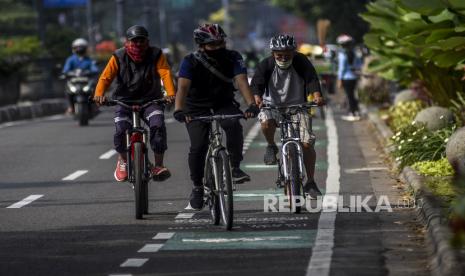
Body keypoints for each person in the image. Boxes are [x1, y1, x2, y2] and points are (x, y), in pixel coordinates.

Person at [173, 23, 259, 210]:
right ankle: (197, 186)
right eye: (212, 45)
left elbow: (242, 82)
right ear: (201, 46)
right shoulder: (190, 61)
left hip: (223, 103)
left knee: (234, 125)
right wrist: (179, 109)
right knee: (199, 145)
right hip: (195, 108)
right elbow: (183, 87)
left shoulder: (234, 57)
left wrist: (252, 104)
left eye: (221, 43)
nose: (218, 48)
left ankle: (235, 167)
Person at [93, 25, 176, 182]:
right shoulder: (118, 56)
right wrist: (99, 95)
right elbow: (105, 77)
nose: (138, 44)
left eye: (141, 40)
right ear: (127, 42)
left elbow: (165, 73)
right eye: (134, 41)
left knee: (157, 125)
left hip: (151, 100)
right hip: (124, 101)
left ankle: (158, 165)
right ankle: (123, 160)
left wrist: (170, 94)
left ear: (147, 41)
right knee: (121, 130)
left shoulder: (156, 54)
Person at [251, 34, 325, 199]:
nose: (283, 57)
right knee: (266, 122)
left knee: (307, 143)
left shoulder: (301, 61)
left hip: (298, 106)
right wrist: (257, 98)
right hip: (272, 106)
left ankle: (311, 182)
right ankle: (271, 145)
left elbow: (312, 79)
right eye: (279, 55)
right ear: (273, 53)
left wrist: (317, 96)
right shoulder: (267, 64)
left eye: (287, 54)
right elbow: (257, 83)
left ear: (294, 52)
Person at [62, 38, 99, 114]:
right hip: (74, 81)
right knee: (67, 91)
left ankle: (95, 105)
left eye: (81, 47)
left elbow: (95, 69)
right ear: (74, 48)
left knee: (94, 88)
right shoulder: (70, 59)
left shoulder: (89, 60)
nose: (79, 49)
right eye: (77, 47)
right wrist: (69, 73)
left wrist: (90, 72)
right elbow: (66, 70)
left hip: (86, 81)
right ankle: (70, 107)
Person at [336, 34, 362, 121]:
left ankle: (352, 113)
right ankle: (356, 111)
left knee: (349, 96)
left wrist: (339, 79)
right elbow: (359, 64)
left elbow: (341, 68)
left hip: (346, 78)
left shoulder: (342, 54)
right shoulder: (354, 53)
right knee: (353, 95)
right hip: (354, 77)